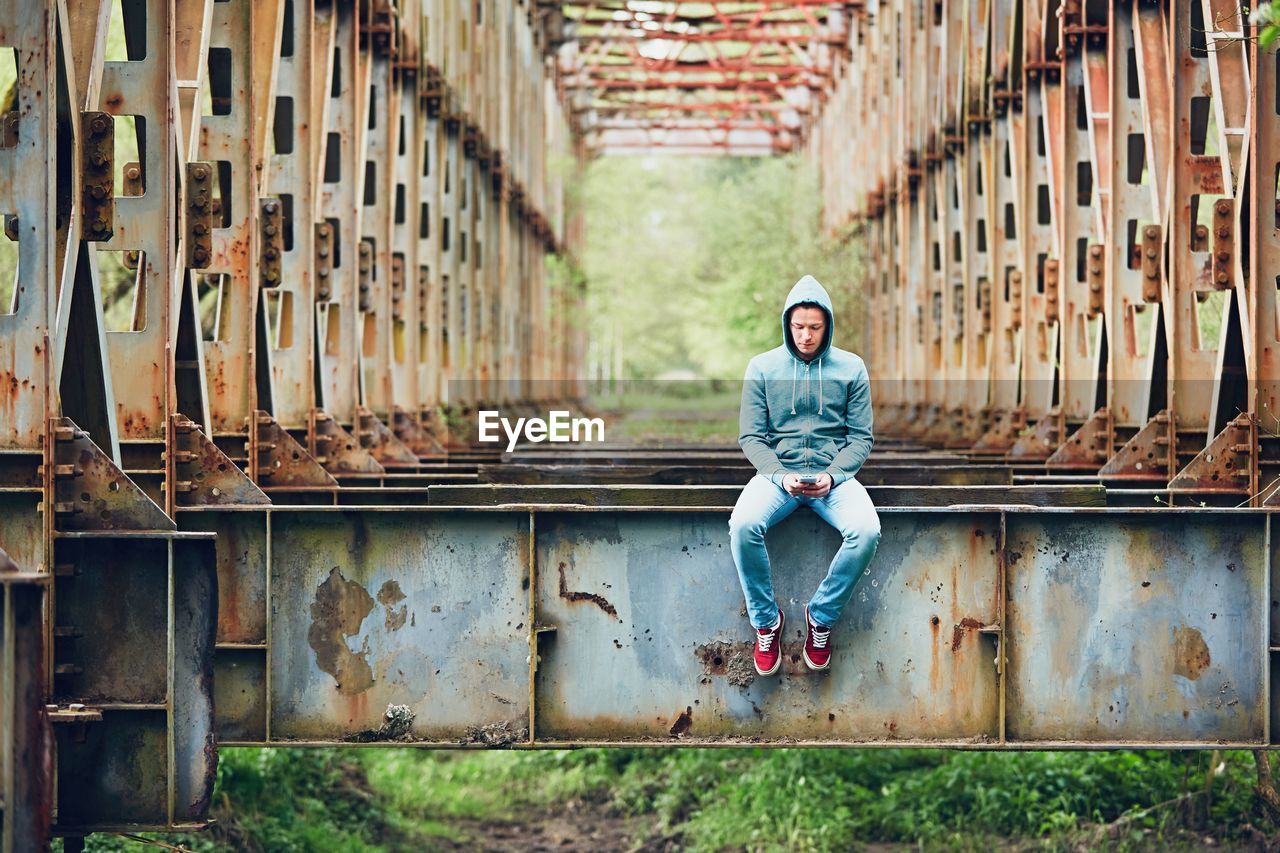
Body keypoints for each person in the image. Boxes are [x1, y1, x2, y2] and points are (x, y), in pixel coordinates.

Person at [729, 274, 881, 676]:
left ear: (827, 325)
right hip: (778, 476)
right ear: (787, 324)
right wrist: (779, 476)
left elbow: (861, 438)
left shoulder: (851, 368)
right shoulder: (762, 367)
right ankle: (767, 622)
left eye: (815, 327)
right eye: (799, 327)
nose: (806, 336)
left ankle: (821, 618)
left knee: (865, 530)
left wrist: (834, 475)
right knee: (743, 524)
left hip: (835, 479)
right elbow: (751, 436)